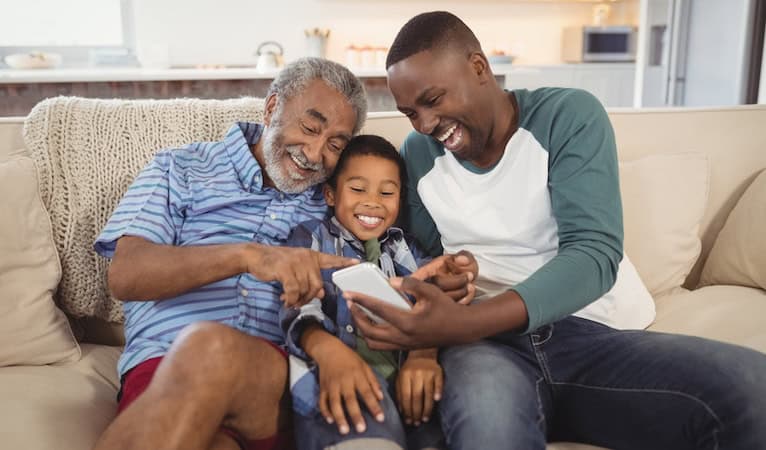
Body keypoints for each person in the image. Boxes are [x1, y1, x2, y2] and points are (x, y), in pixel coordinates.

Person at [345, 11, 766, 450]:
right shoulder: (418, 154)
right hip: (487, 351)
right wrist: (443, 299)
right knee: (491, 435)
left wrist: (459, 324)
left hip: (597, 332)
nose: (426, 124)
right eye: (411, 112)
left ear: (479, 68)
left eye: (433, 100)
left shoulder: (567, 115)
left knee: (753, 390)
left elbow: (594, 255)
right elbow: (428, 259)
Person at [92, 57, 368, 450]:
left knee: (212, 347)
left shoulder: (335, 200)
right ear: (272, 107)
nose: (315, 152)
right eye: (310, 127)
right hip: (163, 368)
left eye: (335, 144)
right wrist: (247, 255)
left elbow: (381, 266)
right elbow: (127, 275)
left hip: (271, 385)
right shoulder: (179, 168)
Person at [280, 135, 477, 450]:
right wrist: (326, 348)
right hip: (340, 378)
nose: (373, 201)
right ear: (330, 194)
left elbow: (434, 293)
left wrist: (453, 271)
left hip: (405, 383)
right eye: (358, 189)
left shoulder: (403, 247)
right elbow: (300, 305)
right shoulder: (311, 239)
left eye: (387, 192)